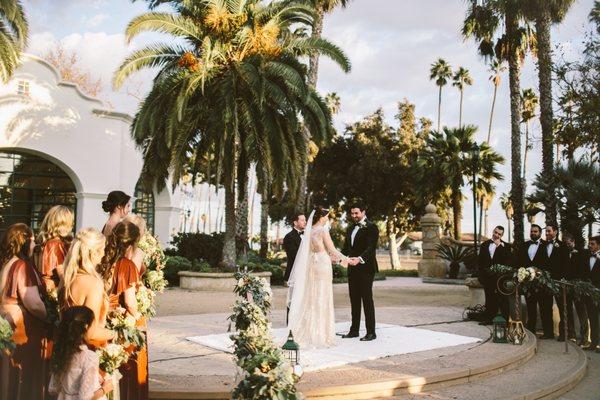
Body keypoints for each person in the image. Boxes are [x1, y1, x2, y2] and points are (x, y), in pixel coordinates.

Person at [287, 206, 347, 348]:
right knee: (322, 295)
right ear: (322, 217)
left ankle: (309, 330)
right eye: (327, 216)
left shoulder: (309, 231)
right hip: (322, 263)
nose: (327, 219)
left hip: (312, 264)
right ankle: (321, 334)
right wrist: (346, 259)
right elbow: (332, 249)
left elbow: (307, 252)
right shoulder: (322, 230)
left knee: (312, 295)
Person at [0, 223, 48, 400]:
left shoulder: (6, 263)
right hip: (22, 331)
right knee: (23, 379)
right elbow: (33, 302)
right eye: (33, 241)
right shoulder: (21, 265)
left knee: (8, 380)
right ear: (24, 242)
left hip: (9, 327)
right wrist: (50, 318)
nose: (35, 246)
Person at [101, 221, 147, 399]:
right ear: (133, 243)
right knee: (122, 368)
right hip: (119, 320)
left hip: (103, 318)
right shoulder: (126, 264)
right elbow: (130, 302)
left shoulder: (103, 258)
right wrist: (137, 317)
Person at [59, 228, 115, 347]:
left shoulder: (67, 278)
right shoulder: (93, 283)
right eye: (103, 250)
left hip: (66, 347)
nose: (104, 254)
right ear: (94, 253)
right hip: (89, 349)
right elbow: (89, 331)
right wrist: (113, 334)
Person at [49, 306, 114, 400]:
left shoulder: (61, 352)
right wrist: (105, 389)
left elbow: (53, 389)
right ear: (86, 327)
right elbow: (85, 398)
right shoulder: (89, 357)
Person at [341, 202, 379, 342]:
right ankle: (354, 330)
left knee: (367, 300)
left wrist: (360, 259)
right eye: (352, 213)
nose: (354, 216)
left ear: (363, 212)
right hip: (352, 268)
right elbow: (347, 248)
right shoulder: (351, 228)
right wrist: (338, 257)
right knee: (354, 299)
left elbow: (371, 248)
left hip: (366, 268)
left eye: (357, 213)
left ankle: (371, 332)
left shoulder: (371, 227)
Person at [518, 224, 553, 339]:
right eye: (532, 231)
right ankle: (531, 332)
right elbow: (520, 262)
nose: (533, 233)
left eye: (535, 231)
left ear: (540, 233)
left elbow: (550, 263)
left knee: (545, 308)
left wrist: (541, 274)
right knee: (530, 307)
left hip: (543, 283)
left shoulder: (547, 245)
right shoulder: (524, 245)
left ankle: (548, 332)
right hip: (528, 284)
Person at [477, 225, 511, 324]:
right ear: (493, 231)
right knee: (489, 298)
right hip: (487, 278)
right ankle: (488, 319)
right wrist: (481, 276)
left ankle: (505, 320)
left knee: (503, 299)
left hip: (500, 278)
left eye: (499, 234)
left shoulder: (506, 246)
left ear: (502, 235)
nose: (496, 235)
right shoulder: (485, 245)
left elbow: (508, 261)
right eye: (495, 232)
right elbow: (480, 262)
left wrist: (499, 246)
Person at [35, 205, 75, 290]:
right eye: (62, 224)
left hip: (46, 289)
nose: (70, 226)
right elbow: (63, 276)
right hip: (54, 291)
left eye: (70, 223)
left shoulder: (47, 242)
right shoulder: (56, 244)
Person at [545, 224, 571, 341]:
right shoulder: (543, 245)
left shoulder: (563, 246)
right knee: (545, 306)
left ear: (555, 232)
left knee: (562, 307)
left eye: (549, 231)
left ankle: (563, 334)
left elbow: (566, 264)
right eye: (546, 231)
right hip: (545, 282)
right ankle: (548, 332)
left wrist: (562, 279)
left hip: (559, 282)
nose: (547, 233)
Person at [564, 233, 588, 347]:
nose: (568, 245)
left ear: (573, 242)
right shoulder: (563, 253)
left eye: (569, 243)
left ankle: (584, 337)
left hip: (578, 287)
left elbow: (584, 270)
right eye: (566, 243)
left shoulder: (582, 253)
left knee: (581, 311)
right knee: (567, 310)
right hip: (567, 287)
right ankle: (571, 334)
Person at [578, 236, 600, 353]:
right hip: (589, 294)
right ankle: (594, 343)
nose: (589, 245)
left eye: (592, 244)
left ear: (598, 245)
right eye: (589, 243)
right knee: (593, 318)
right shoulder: (586, 256)